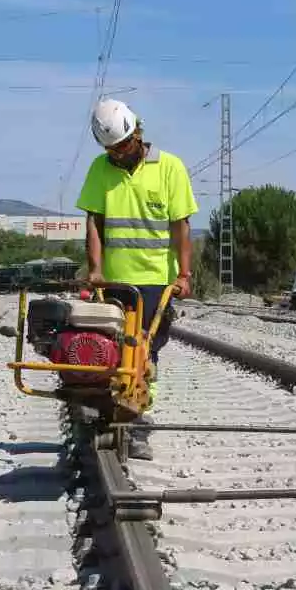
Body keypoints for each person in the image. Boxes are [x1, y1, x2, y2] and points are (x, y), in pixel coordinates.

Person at [76, 98, 198, 460]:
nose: (117, 154)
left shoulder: (170, 168)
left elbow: (181, 226)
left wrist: (184, 274)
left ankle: (138, 422)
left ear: (137, 133)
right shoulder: (100, 169)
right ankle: (107, 411)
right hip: (113, 282)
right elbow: (94, 223)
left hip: (155, 283)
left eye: (123, 146)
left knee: (145, 353)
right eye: (111, 149)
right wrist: (95, 269)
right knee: (108, 352)